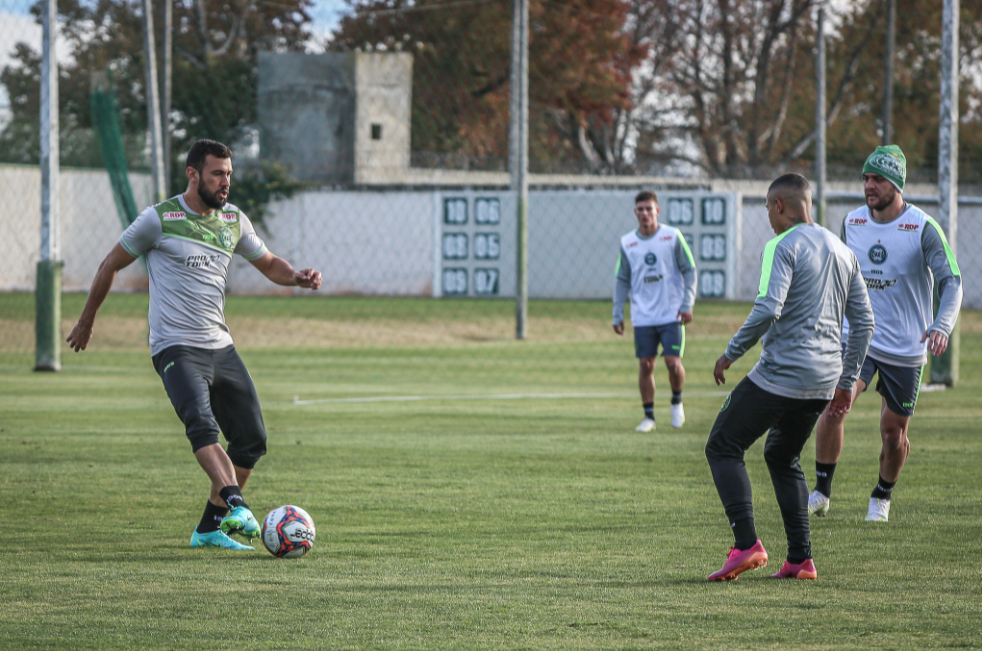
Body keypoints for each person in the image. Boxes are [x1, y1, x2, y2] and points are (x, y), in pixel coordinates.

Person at [66, 139, 323, 551]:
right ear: (193, 174)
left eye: (229, 175)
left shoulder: (233, 220)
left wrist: (297, 277)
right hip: (175, 346)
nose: (225, 183)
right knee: (202, 427)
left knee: (252, 438)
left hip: (220, 345)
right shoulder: (159, 219)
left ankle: (207, 529)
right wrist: (86, 319)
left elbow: (270, 263)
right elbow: (109, 264)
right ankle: (236, 504)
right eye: (217, 174)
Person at [705, 173, 873, 581]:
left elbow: (767, 309)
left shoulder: (781, 245)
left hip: (781, 376)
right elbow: (865, 322)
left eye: (766, 209)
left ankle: (746, 545)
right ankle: (800, 559)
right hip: (822, 382)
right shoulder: (841, 249)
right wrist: (847, 379)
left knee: (722, 445)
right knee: (782, 457)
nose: (768, 217)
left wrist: (730, 353)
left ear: (779, 206)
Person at [808, 145, 963, 523]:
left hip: (906, 347)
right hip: (858, 338)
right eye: (865, 178)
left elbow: (952, 281)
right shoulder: (853, 222)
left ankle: (882, 495)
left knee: (893, 433)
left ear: (896, 183)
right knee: (833, 405)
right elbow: (841, 278)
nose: (868, 186)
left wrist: (942, 325)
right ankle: (821, 491)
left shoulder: (923, 228)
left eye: (877, 178)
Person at [613, 190, 697, 432]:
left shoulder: (672, 236)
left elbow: (689, 270)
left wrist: (687, 303)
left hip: (672, 313)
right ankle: (649, 417)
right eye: (640, 209)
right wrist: (617, 312)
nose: (645, 213)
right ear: (635, 212)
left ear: (657, 211)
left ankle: (676, 402)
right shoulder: (628, 243)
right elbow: (622, 279)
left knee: (672, 362)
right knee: (646, 365)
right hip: (643, 316)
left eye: (649, 209)